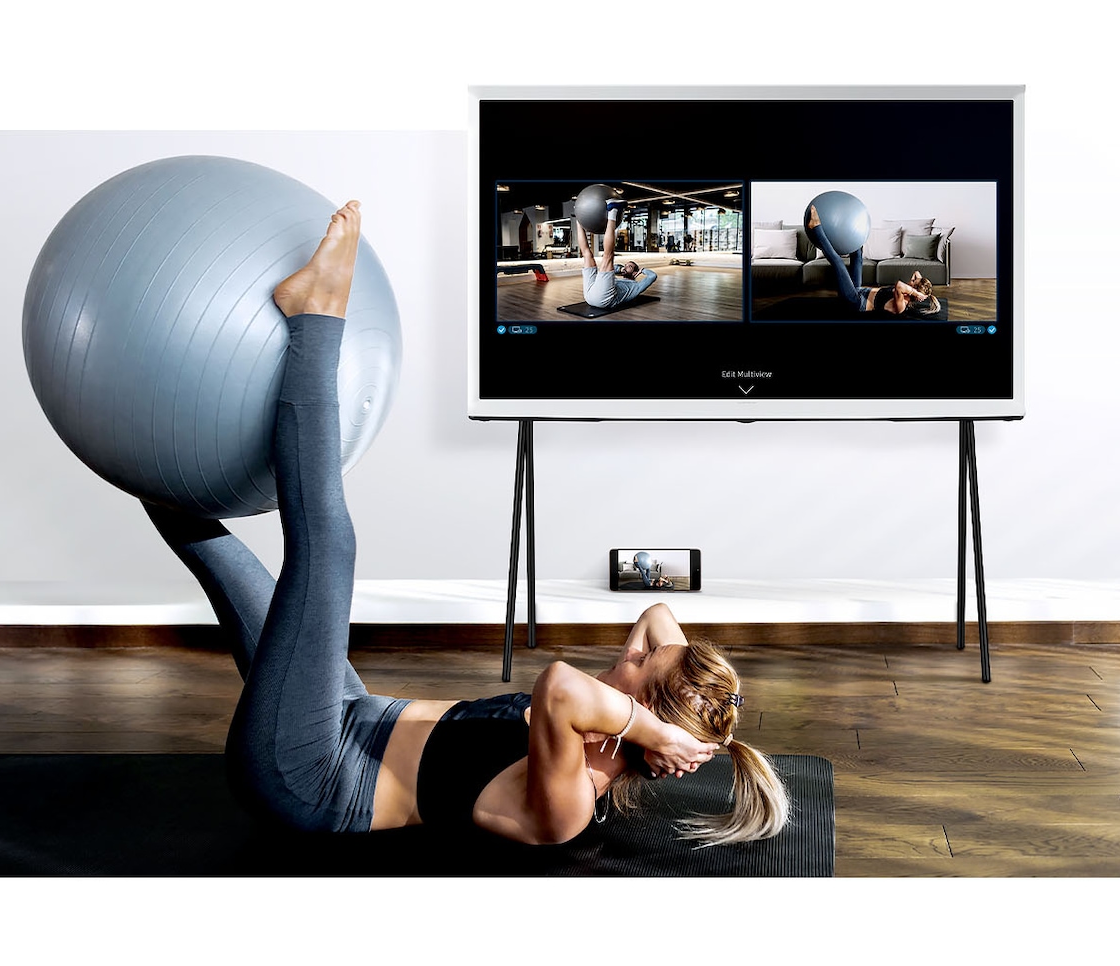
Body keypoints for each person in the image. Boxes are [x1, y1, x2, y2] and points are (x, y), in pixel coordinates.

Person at [146, 201, 787, 847]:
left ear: (640, 718)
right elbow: (656, 615)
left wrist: (654, 730)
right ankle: (130, 445)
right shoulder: (618, 706)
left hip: (311, 777)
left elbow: (561, 686)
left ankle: (315, 317)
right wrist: (670, 711)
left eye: (640, 666)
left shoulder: (569, 800)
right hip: (348, 714)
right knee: (200, 535)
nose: (633, 649)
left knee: (328, 551)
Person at [807, 203, 941, 318]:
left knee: (838, 263)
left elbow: (899, 285)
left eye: (912, 282)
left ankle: (816, 228)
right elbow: (917, 273)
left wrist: (915, 292)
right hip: (858, 290)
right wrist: (919, 288)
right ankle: (850, 224)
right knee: (858, 254)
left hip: (855, 302)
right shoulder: (909, 289)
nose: (911, 279)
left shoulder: (901, 304)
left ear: (913, 289)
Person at [575, 198, 658, 309]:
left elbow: (653, 276)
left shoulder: (636, 287)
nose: (626, 266)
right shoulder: (616, 279)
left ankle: (613, 210)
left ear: (635, 273)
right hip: (590, 295)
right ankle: (578, 217)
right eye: (626, 265)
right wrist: (620, 269)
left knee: (608, 256)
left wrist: (642, 271)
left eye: (630, 267)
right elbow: (613, 268)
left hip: (603, 300)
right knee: (587, 254)